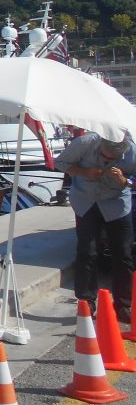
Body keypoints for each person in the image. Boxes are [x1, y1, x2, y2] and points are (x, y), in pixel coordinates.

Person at [56, 131, 135, 322]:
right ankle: (86, 302)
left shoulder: (133, 152)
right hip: (86, 202)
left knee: (123, 254)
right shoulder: (84, 143)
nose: (106, 160)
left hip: (116, 205)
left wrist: (125, 181)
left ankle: (123, 306)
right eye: (103, 155)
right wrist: (83, 172)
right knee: (87, 252)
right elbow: (60, 163)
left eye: (111, 158)